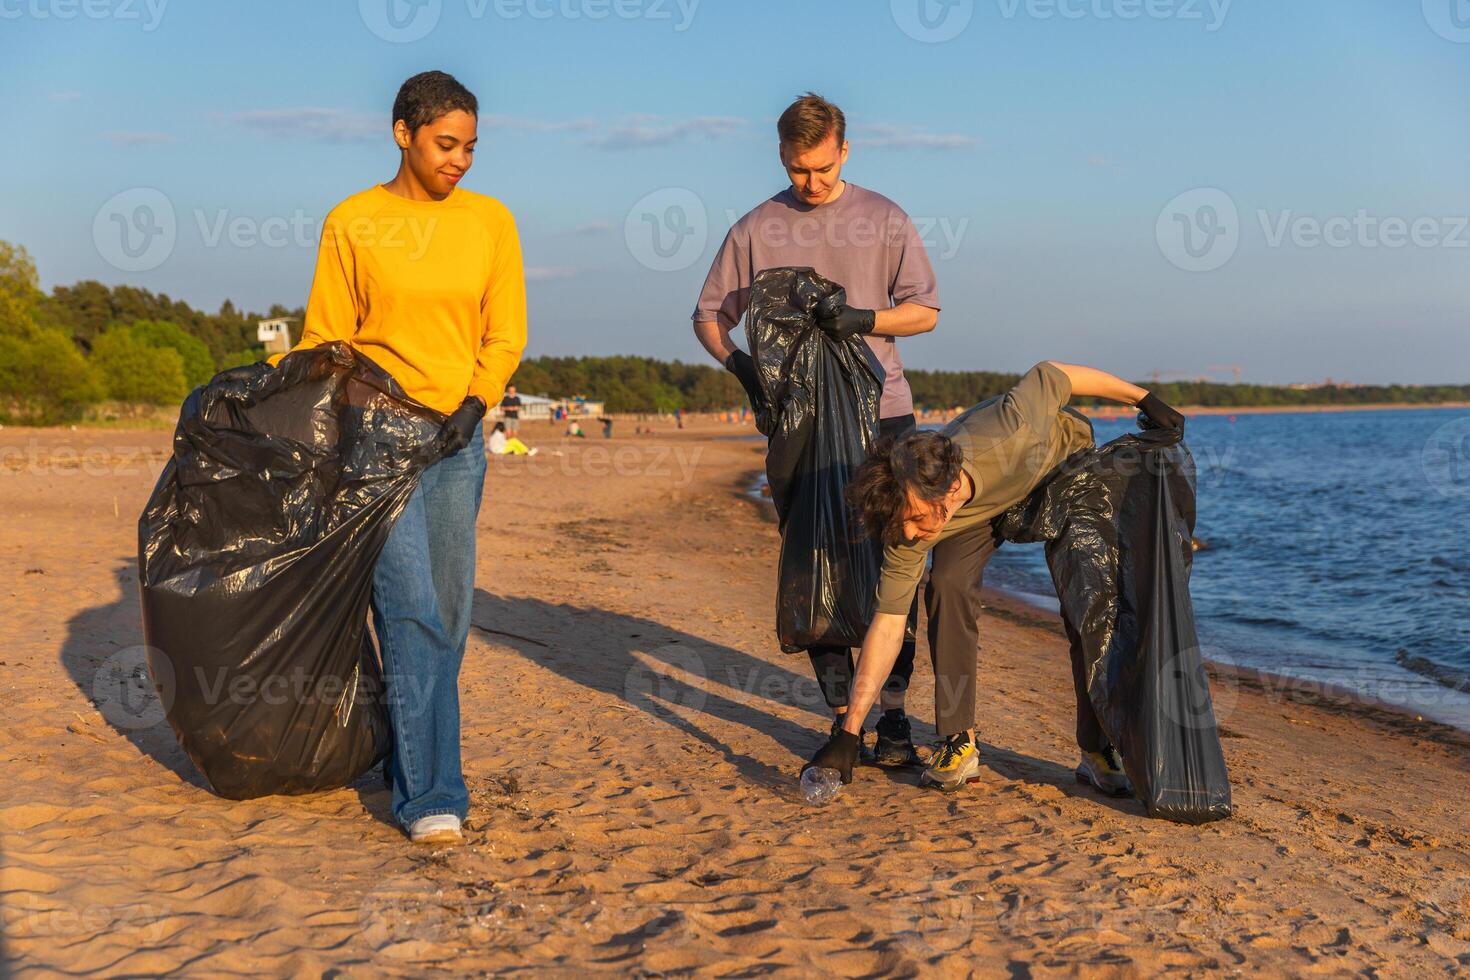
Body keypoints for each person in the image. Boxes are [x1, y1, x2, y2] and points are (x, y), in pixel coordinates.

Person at [271, 71, 526, 845]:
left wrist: (477, 406)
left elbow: (504, 332)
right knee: (410, 609)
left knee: (448, 617)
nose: (462, 161)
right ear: (402, 134)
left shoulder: (491, 222)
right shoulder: (354, 221)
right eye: (447, 144)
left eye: (472, 147)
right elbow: (325, 339)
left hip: (457, 443)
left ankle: (403, 752)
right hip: (375, 441)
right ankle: (433, 796)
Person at [692, 93, 940, 766]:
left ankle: (892, 721)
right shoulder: (756, 227)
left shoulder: (884, 218)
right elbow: (710, 313)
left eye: (823, 169)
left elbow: (926, 311)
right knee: (815, 562)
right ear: (782, 157)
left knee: (896, 564)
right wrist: (743, 368)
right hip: (797, 422)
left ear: (845, 151)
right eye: (799, 170)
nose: (812, 183)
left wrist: (864, 321)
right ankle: (840, 718)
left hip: (886, 413)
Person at [803, 362, 1185, 793]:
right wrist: (850, 731)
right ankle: (958, 740)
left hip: (1061, 471)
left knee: (1087, 602)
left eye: (912, 520)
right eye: (901, 525)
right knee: (947, 584)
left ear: (945, 491)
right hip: (986, 508)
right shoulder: (906, 523)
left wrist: (1144, 399)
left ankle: (1096, 749)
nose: (908, 534)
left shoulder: (1015, 425)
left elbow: (1054, 373)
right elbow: (888, 624)